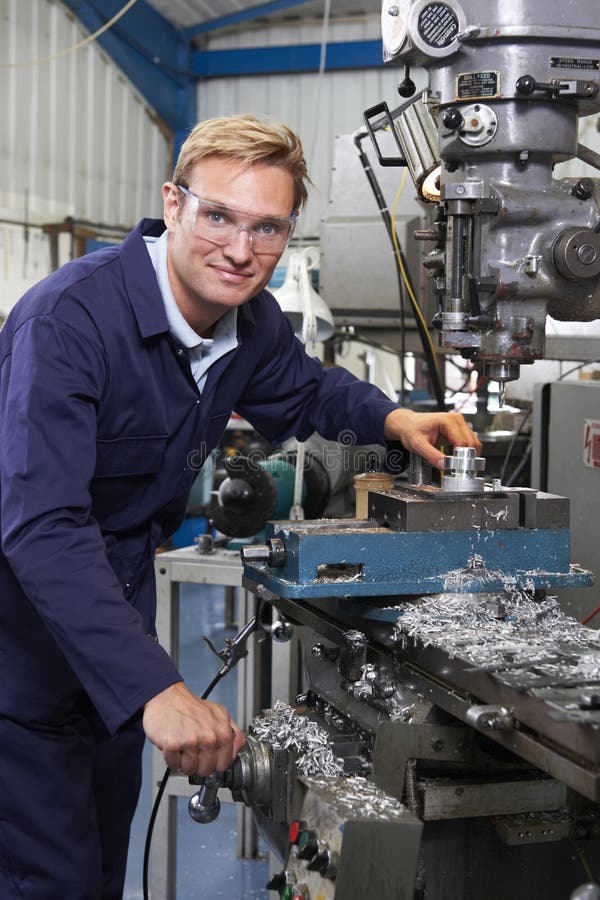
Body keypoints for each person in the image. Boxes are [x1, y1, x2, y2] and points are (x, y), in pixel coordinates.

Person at [0, 114, 480, 899]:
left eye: (268, 228)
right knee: (41, 877)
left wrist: (394, 418)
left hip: (109, 635)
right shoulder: (71, 322)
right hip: (18, 648)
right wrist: (157, 688)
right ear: (174, 202)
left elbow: (309, 388)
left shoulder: (247, 323)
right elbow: (42, 528)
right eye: (219, 215)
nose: (239, 248)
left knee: (94, 869)